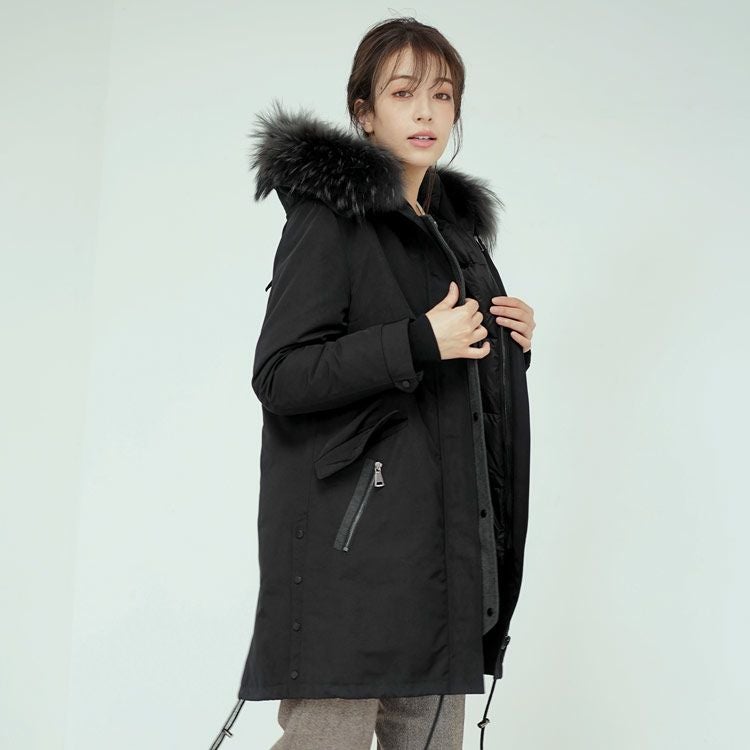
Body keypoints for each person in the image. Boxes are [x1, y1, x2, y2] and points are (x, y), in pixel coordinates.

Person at [210, 16, 535, 750]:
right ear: (364, 112)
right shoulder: (331, 220)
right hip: (350, 559)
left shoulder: (455, 239)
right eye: (403, 92)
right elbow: (281, 374)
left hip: (443, 560)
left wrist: (508, 345)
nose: (426, 112)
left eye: (442, 95)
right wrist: (418, 340)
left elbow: (453, 397)